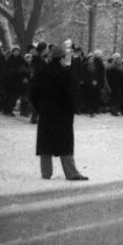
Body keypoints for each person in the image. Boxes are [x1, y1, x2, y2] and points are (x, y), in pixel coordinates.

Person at [30, 45, 88, 181]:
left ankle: (46, 173)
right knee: (65, 144)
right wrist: (73, 109)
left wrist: (39, 108)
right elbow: (71, 93)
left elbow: (33, 93)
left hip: (46, 113)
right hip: (63, 114)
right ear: (62, 57)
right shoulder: (65, 72)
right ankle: (71, 173)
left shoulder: (42, 71)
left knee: (45, 144)